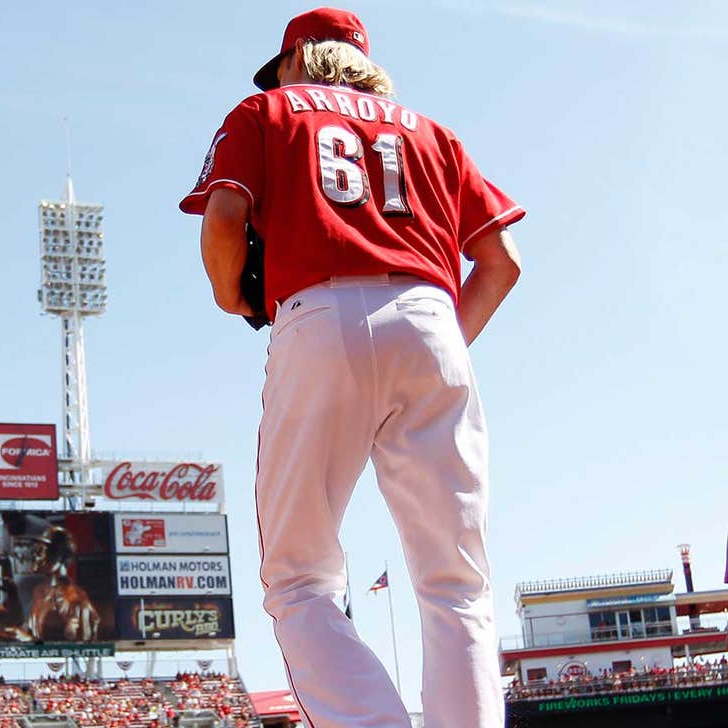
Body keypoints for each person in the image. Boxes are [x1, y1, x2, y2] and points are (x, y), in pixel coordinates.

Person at [180, 8, 524, 728]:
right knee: (455, 580)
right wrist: (440, 345)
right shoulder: (432, 131)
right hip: (433, 319)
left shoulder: (266, 109)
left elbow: (222, 218)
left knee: (300, 578)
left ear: (298, 59)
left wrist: (228, 297)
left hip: (319, 317)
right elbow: (500, 263)